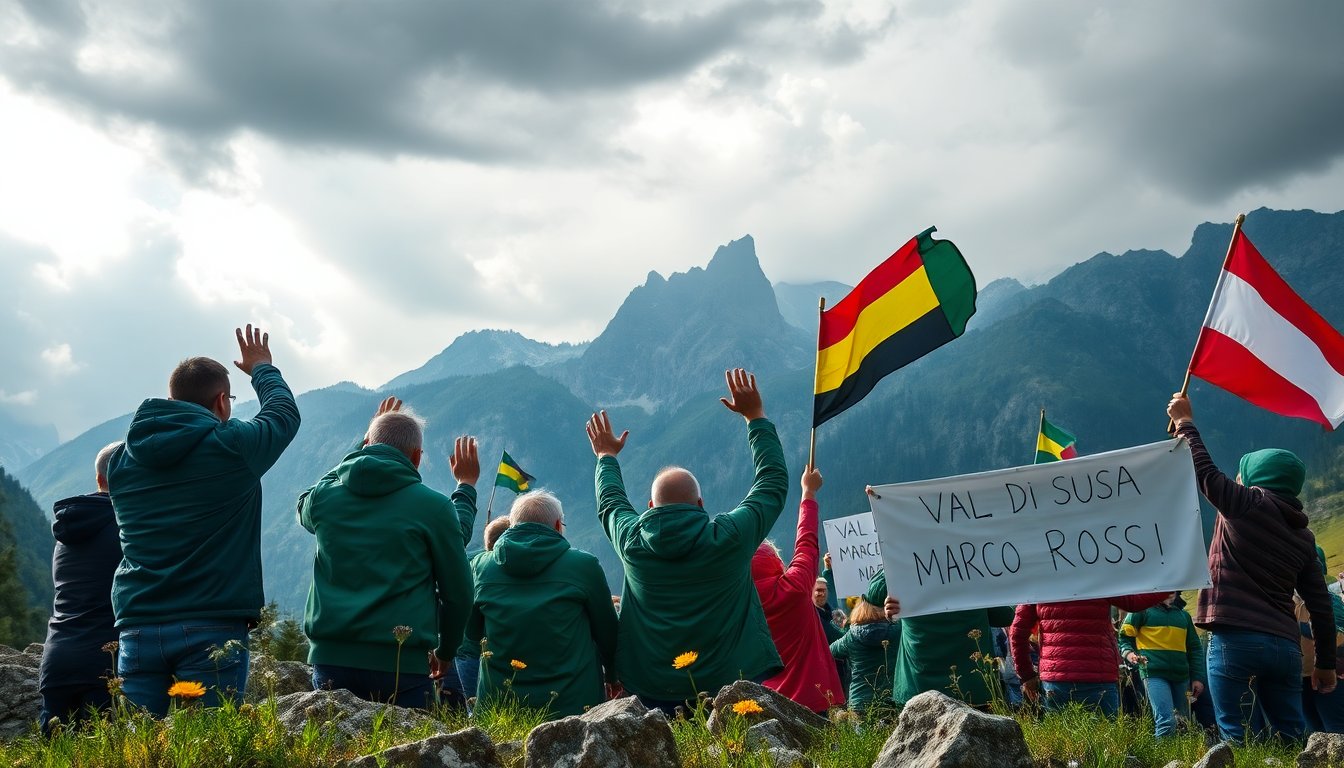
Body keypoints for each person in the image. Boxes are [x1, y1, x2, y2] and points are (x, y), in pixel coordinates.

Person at [107, 325, 301, 715]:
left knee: (137, 746)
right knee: (206, 745)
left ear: (171, 400)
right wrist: (263, 368)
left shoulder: (120, 463)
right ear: (221, 402)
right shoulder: (233, 447)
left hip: (138, 624)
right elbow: (283, 415)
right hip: (211, 622)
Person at [587, 368, 787, 713]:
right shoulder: (730, 537)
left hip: (651, 686)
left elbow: (610, 503)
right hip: (731, 683)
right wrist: (755, 418)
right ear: (700, 503)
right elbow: (772, 484)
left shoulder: (633, 541)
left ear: (650, 507)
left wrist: (606, 456)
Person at [1167, 392, 1336, 743]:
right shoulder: (1303, 535)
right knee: (1291, 737)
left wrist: (1185, 423)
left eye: (1244, 474)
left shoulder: (1247, 504)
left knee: (1235, 736)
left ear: (1257, 478)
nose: (1238, 480)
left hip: (1236, 638)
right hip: (1286, 650)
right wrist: (1325, 664)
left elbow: (1205, 473)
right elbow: (1320, 606)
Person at [297, 398, 476, 708]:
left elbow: (307, 501)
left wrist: (360, 448)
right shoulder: (434, 507)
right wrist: (446, 652)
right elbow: (458, 594)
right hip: (402, 666)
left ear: (366, 445)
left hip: (330, 659)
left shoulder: (324, 498)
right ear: (417, 457)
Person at [467, 491, 619, 719]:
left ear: (512, 526)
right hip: (572, 706)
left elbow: (471, 632)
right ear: (558, 525)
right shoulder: (584, 566)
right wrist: (613, 676)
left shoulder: (480, 567)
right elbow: (608, 633)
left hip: (500, 707)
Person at [38, 442, 124, 733]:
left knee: (56, 757)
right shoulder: (127, 526)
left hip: (57, 659)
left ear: (99, 479)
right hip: (103, 661)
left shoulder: (68, 530)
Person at [751, 466, 845, 713]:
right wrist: (808, 494)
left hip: (765, 701)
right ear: (778, 565)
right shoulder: (794, 587)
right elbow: (807, 543)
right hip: (813, 698)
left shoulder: (738, 602)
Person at [872, 570, 1014, 709]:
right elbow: (1005, 616)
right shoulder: (973, 574)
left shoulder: (906, 572)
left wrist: (895, 558)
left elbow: (874, 593)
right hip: (974, 687)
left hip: (918, 687)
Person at [1010, 593, 1166, 717]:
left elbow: (1017, 633)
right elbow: (1134, 602)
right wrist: (1171, 584)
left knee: (1061, 748)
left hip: (1056, 679)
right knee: (1107, 746)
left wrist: (1027, 676)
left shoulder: (1039, 580)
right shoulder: (1097, 572)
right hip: (1099, 676)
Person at [1119, 593, 1207, 737]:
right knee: (1166, 721)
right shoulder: (1142, 611)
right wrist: (1130, 654)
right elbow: (1124, 637)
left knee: (1183, 723)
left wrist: (1197, 677)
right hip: (1153, 673)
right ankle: (1162, 759)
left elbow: (1195, 649)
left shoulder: (1184, 616)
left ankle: (1182, 759)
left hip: (1182, 677)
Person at [455, 514, 512, 707]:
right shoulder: (505, 571)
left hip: (463, 651)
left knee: (475, 708)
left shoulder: (468, 561)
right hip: (493, 652)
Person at [1296, 546, 1344, 735]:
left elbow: (1337, 635)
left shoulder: (1330, 601)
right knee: (1316, 733)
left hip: (1333, 675)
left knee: (1335, 731)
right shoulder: (1294, 602)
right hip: (1303, 679)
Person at [830, 596, 899, 716]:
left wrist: (846, 627)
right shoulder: (898, 631)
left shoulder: (851, 636)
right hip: (891, 699)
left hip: (859, 703)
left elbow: (830, 651)